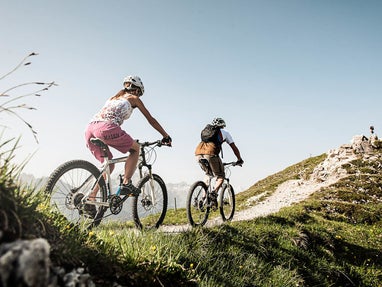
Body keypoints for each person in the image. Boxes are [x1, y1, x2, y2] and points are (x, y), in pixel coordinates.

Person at [84, 75, 172, 215]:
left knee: (109, 165)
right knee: (135, 149)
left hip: (90, 129)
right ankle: (126, 183)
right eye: (140, 93)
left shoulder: (113, 98)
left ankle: (91, 197)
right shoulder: (134, 99)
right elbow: (151, 120)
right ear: (136, 90)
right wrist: (165, 136)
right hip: (106, 128)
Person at [194, 117, 243, 208]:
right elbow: (234, 148)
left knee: (208, 174)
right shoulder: (225, 133)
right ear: (222, 126)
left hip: (198, 154)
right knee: (220, 175)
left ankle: (203, 198)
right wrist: (239, 159)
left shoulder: (207, 131)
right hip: (211, 154)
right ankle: (213, 193)